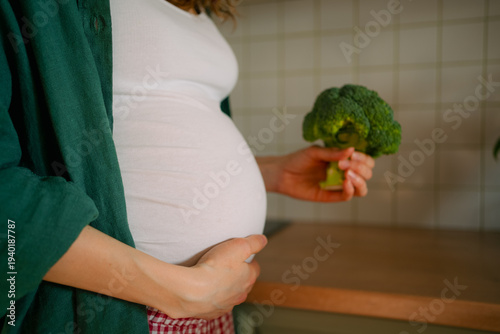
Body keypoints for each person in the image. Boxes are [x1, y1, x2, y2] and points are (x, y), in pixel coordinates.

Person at [0, 0, 374, 333]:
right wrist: (178, 290)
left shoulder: (202, 9)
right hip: (123, 310)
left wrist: (271, 173)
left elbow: (150, 145)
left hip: (210, 310)